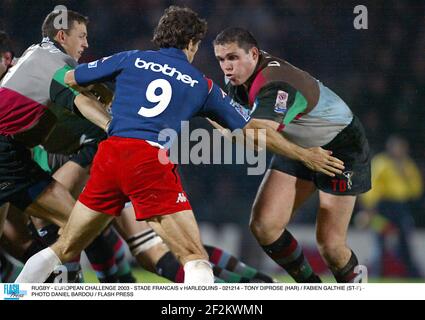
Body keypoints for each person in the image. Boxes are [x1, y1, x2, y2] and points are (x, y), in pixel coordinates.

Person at [15, 6, 344, 284]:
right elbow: (252, 131)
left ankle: (15, 292)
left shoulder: (130, 58)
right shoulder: (202, 85)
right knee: (194, 256)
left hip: (110, 153)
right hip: (148, 160)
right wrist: (304, 154)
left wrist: (109, 102)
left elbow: (69, 79)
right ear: (193, 42)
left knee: (64, 248)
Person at [213, 28, 371, 283]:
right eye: (220, 59)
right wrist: (304, 155)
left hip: (341, 146)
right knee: (265, 226)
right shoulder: (236, 82)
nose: (226, 67)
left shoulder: (276, 83)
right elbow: (253, 141)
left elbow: (258, 136)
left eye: (232, 58)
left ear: (254, 54)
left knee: (331, 246)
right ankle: (310, 288)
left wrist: (211, 112)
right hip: (298, 147)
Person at [359, 135, 423, 277]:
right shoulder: (381, 163)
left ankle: (412, 275)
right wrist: (369, 209)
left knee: (404, 241)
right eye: (398, 147)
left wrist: (405, 175)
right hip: (382, 208)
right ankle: (377, 274)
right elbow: (372, 186)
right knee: (379, 242)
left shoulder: (407, 165)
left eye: (403, 148)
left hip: (400, 207)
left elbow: (416, 189)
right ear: (391, 148)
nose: (400, 151)